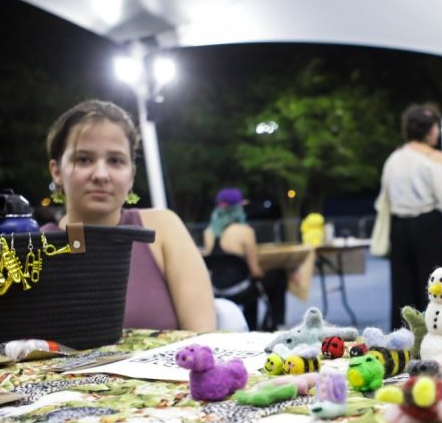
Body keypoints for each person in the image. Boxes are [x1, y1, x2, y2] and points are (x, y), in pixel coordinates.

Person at [44, 99, 216, 332]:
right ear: (56, 170)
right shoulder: (34, 247)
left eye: (115, 161)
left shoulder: (162, 229)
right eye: (84, 159)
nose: (101, 174)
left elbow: (203, 341)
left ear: (132, 174)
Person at [380, 103, 442, 330]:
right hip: (428, 228)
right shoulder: (436, 158)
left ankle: (403, 338)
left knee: (403, 289)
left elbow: (384, 199)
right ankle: (435, 336)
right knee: (433, 288)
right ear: (430, 130)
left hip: (399, 228)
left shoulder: (393, 159)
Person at [202, 188, 287, 330]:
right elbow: (255, 271)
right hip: (241, 290)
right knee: (278, 276)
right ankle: (273, 324)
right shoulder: (245, 231)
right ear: (238, 208)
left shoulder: (208, 232)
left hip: (217, 290)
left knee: (251, 285)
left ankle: (255, 325)